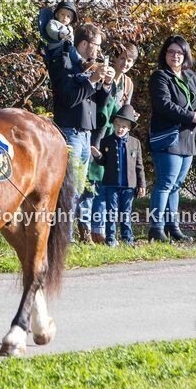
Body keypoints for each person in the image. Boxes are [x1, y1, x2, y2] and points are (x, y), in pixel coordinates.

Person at [46, 23, 114, 242]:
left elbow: (98, 103)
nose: (98, 51)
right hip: (70, 130)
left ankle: (71, 234)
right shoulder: (67, 62)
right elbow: (69, 99)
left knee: (78, 189)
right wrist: (92, 80)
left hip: (85, 133)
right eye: (96, 45)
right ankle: (63, 235)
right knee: (69, 188)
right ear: (84, 43)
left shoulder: (88, 65)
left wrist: (105, 85)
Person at [147, 36, 196, 242]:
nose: (175, 56)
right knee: (165, 183)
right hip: (168, 137)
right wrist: (192, 116)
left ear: (185, 55)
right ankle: (156, 228)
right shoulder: (160, 77)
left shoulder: (190, 76)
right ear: (164, 54)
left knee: (176, 186)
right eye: (171, 52)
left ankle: (173, 227)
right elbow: (164, 105)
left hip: (187, 138)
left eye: (179, 53)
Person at [91, 104, 146, 246]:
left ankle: (127, 238)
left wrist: (142, 184)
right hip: (111, 184)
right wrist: (98, 156)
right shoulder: (106, 141)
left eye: (123, 126)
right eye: (117, 125)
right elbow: (103, 162)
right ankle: (110, 239)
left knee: (126, 213)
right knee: (111, 212)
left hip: (129, 185)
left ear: (129, 128)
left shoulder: (135, 143)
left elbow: (139, 166)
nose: (120, 129)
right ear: (114, 124)